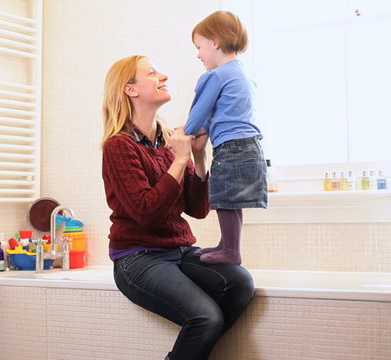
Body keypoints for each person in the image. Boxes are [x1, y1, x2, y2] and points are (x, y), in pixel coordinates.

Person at [101, 55, 255, 360]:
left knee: (239, 283)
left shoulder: (166, 142)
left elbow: (197, 209)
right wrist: (180, 159)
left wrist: (198, 157)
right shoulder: (119, 146)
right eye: (152, 72)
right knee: (205, 318)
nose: (164, 75)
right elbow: (146, 213)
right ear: (130, 89)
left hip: (178, 251)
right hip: (137, 258)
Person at [184, 11, 267, 265]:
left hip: (231, 148)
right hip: (251, 147)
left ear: (215, 42)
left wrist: (185, 132)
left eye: (199, 47)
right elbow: (225, 112)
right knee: (233, 201)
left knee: (225, 198)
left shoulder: (215, 75)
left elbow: (199, 113)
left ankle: (231, 250)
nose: (198, 54)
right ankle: (227, 244)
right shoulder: (242, 73)